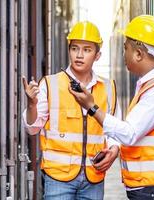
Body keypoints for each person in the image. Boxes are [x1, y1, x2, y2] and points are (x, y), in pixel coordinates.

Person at [69, 15, 154, 200]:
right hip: (153, 188)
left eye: (125, 49)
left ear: (138, 54)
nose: (123, 54)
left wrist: (92, 108)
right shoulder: (152, 86)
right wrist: (116, 148)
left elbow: (130, 133)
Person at [22, 21, 121, 200]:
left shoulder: (108, 88)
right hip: (58, 178)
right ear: (69, 50)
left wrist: (114, 150)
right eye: (75, 48)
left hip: (94, 177)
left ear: (97, 55)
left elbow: (114, 130)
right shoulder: (50, 84)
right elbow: (32, 128)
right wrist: (31, 104)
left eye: (87, 50)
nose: (79, 55)